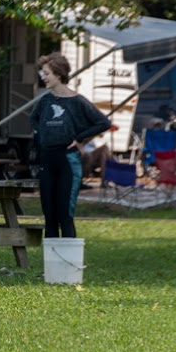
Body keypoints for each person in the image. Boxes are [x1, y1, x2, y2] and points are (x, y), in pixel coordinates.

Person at [30, 53, 111, 238]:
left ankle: (69, 255)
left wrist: (80, 138)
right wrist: (43, 135)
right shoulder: (45, 100)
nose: (43, 77)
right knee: (49, 216)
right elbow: (33, 119)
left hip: (67, 160)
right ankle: (51, 257)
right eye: (42, 73)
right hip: (47, 159)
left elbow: (103, 123)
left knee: (65, 214)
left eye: (46, 73)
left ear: (59, 75)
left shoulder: (77, 101)